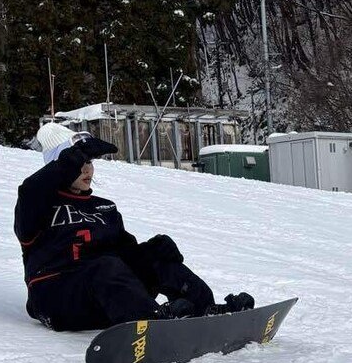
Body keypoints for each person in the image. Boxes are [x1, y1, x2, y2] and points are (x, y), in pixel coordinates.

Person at [15, 123, 254, 332]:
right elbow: (31, 189)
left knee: (155, 260)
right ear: (60, 166)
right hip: (56, 297)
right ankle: (150, 322)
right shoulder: (38, 204)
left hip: (106, 299)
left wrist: (150, 252)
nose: (88, 169)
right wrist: (68, 162)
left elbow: (124, 258)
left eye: (90, 162)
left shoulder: (104, 208)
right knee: (104, 266)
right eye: (80, 162)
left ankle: (206, 312)